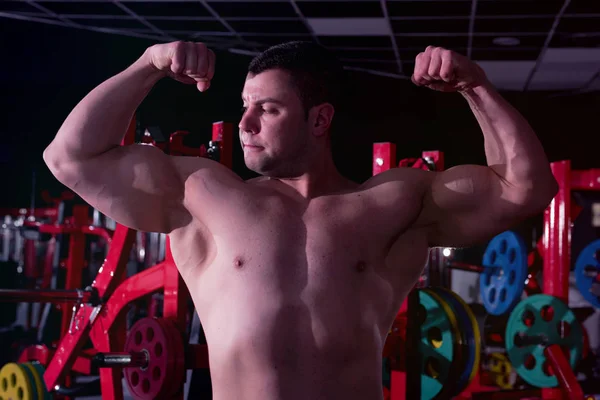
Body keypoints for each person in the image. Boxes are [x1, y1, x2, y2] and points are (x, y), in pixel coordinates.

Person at [43, 41, 558, 400]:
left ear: (319, 120)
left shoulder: (394, 203)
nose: (244, 123)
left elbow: (525, 187)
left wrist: (476, 87)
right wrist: (147, 65)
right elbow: (70, 159)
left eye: (266, 109)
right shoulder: (202, 195)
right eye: (245, 106)